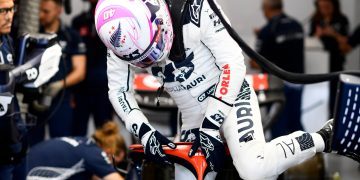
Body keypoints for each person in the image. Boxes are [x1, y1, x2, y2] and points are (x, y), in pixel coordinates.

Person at [96, 0, 335, 179]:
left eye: (153, 49)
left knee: (253, 168)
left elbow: (233, 64)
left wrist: (211, 126)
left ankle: (324, 137)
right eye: (141, 60)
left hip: (230, 95)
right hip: (190, 113)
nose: (150, 62)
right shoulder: (118, 41)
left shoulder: (197, 8)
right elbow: (118, 91)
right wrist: (145, 132)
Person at [28, 0, 86, 145]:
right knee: (32, 144)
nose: (41, 15)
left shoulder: (70, 36)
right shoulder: (32, 34)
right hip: (35, 99)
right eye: (40, 11)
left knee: (61, 142)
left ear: (58, 10)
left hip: (61, 99)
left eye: (46, 11)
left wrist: (59, 85)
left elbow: (80, 71)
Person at [253, 0, 305, 138]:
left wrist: (259, 38)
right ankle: (312, 157)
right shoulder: (297, 26)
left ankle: (283, 158)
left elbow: (255, 63)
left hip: (276, 85)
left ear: (266, 9)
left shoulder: (266, 30)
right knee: (295, 124)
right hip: (298, 82)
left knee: (278, 127)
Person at [71, 0, 113, 136]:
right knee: (78, 132)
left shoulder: (114, 19)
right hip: (81, 87)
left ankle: (107, 157)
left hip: (105, 87)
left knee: (106, 133)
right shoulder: (79, 22)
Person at [27, 121, 125, 180]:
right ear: (109, 151)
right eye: (115, 163)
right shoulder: (95, 154)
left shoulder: (83, 142)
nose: (112, 167)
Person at [0, 1, 27, 179]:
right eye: (3, 10)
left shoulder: (7, 40)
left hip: (15, 140)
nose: (9, 16)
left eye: (12, 9)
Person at [309, 0, 349, 117]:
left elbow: (347, 44)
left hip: (335, 64)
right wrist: (318, 35)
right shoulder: (315, 20)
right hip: (318, 67)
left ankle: (334, 121)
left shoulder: (341, 19)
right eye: (321, 6)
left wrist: (332, 34)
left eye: (327, 5)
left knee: (335, 98)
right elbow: (310, 41)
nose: (324, 8)